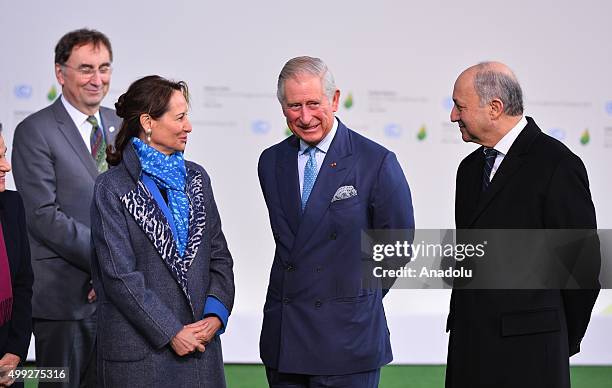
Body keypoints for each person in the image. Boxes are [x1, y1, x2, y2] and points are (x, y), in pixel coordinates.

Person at [258, 56, 414, 388]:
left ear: (334, 99)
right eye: (294, 106)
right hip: (286, 338)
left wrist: (352, 298)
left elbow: (398, 247)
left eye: (314, 103)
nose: (305, 116)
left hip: (348, 339)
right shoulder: (271, 161)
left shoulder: (376, 161)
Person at [446, 61, 600, 388]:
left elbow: (582, 272)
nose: (453, 116)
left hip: (531, 356)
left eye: (459, 106)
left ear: (495, 108)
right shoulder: (469, 170)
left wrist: (555, 338)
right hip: (469, 352)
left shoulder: (558, 165)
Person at [90, 75, 235, 387]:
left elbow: (219, 257)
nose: (189, 126)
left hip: (200, 350)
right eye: (180, 117)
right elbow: (119, 276)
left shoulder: (197, 178)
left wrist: (214, 316)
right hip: (142, 356)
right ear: (148, 122)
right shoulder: (111, 187)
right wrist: (171, 331)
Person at [11, 28, 120, 387]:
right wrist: (106, 258)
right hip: (63, 303)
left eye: (104, 68)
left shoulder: (123, 128)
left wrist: (119, 270)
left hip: (119, 302)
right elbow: (43, 215)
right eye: (86, 68)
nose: (97, 79)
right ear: (61, 73)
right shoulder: (34, 131)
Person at [0, 124, 33, 388]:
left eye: (4, 154)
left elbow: (23, 284)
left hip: (8, 359)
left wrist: (15, 353)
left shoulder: (13, 205)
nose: (6, 166)